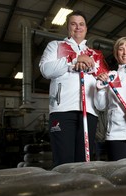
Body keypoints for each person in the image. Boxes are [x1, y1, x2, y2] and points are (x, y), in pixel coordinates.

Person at [39, 10, 109, 167]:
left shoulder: (95, 54)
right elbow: (46, 70)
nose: (78, 27)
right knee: (64, 162)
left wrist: (102, 81)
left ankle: (84, 191)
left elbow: (103, 81)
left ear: (86, 28)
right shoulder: (55, 46)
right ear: (67, 27)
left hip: (89, 113)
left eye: (81, 24)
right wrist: (74, 59)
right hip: (62, 111)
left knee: (84, 162)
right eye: (73, 24)